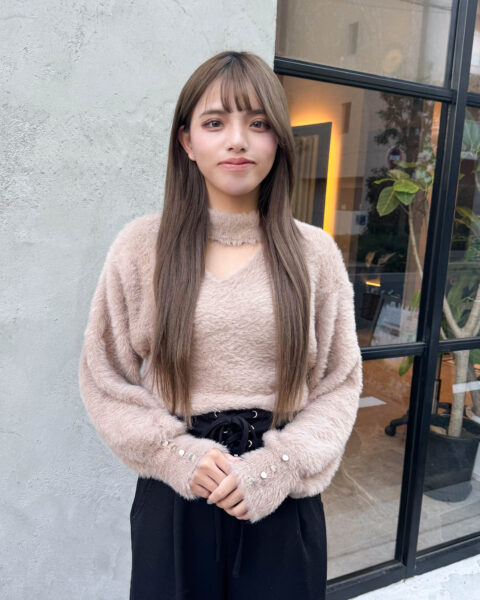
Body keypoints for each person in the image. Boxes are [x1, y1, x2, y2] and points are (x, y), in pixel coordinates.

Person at [78, 50, 363, 600]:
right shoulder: (141, 248)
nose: (237, 141)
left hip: (282, 506)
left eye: (258, 124)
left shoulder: (314, 254)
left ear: (279, 139)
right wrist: (174, 455)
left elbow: (339, 382)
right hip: (176, 506)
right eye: (215, 123)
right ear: (186, 142)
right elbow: (103, 377)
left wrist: (278, 468)